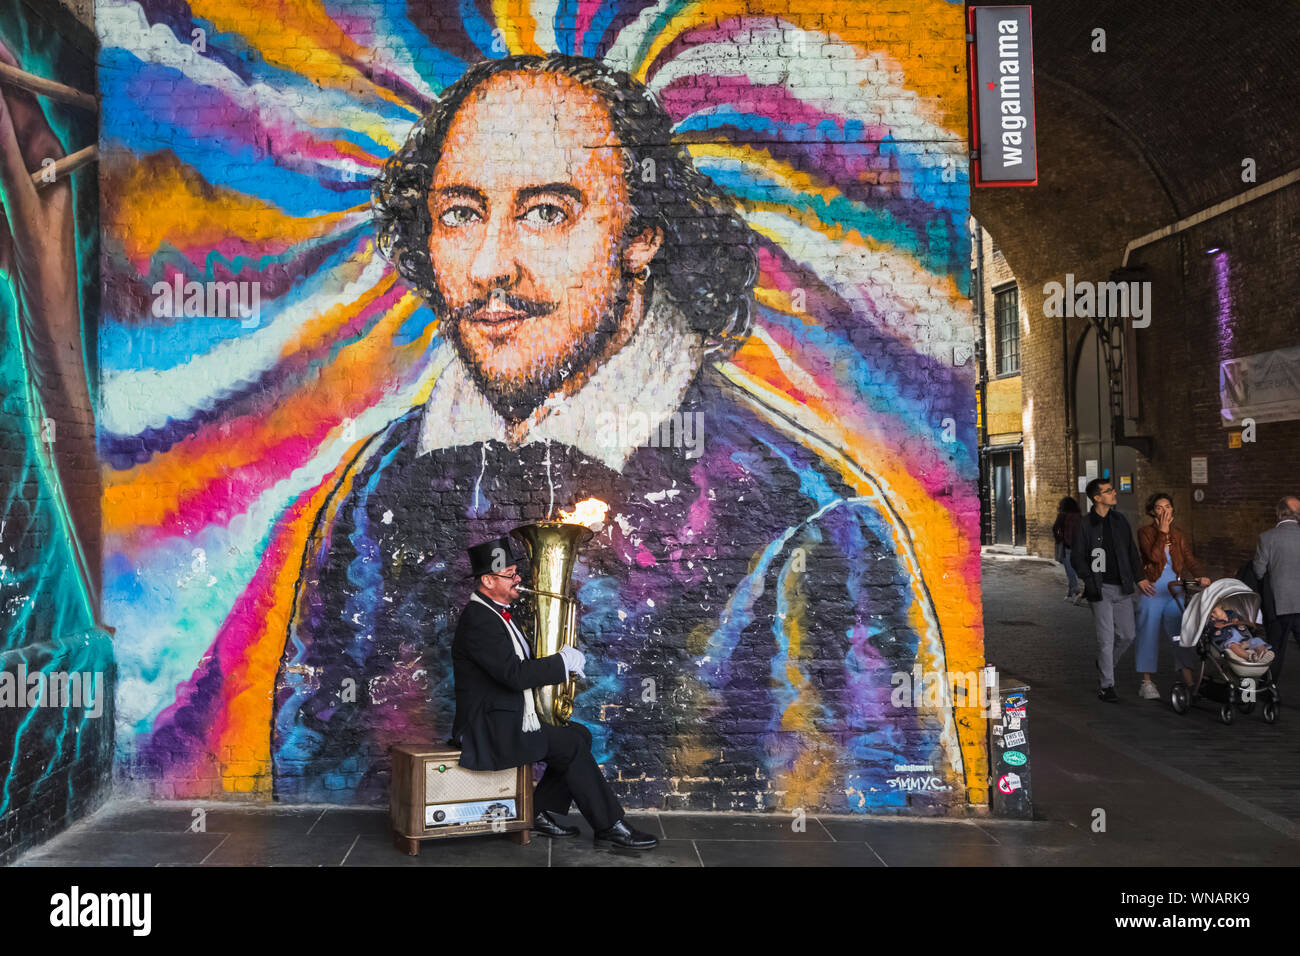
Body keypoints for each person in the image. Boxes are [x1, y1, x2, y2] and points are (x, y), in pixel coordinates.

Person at [262, 54, 969, 806]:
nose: (489, 264)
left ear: (642, 237)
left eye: (545, 212)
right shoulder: (380, 488)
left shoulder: (812, 526)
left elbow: (871, 812)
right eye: (461, 213)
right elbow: (316, 770)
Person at [451, 537, 656, 848]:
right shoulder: (479, 619)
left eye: (516, 571)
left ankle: (538, 812)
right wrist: (561, 663)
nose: (518, 578)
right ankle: (609, 825)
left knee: (580, 736)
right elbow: (514, 675)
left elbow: (515, 668)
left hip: (506, 718)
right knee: (571, 744)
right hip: (488, 728)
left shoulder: (497, 615)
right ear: (487, 580)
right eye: (510, 574)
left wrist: (560, 659)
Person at [1071, 478, 1144, 702]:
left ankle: (1105, 663)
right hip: (1100, 589)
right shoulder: (1085, 524)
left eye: (1112, 490)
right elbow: (1077, 556)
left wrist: (1139, 578)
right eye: (1108, 491)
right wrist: (1089, 579)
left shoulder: (1120, 520)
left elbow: (1131, 551)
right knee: (1106, 639)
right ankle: (1106, 686)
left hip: (1123, 586)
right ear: (1097, 498)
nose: (1114, 493)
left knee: (1128, 635)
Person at [1134, 493, 1211, 700]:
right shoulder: (1146, 533)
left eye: (1168, 506)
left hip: (1173, 591)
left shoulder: (1179, 534)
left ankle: (1190, 681)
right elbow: (1154, 557)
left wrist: (1200, 575)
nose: (1165, 510)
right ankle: (1147, 682)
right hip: (1152, 591)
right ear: (1152, 512)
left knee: (1180, 634)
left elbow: (1189, 559)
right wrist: (1162, 532)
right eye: (1159, 507)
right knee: (1148, 633)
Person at [1252, 495, 1300, 676]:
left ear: (1279, 513)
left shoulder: (1267, 538)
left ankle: (1271, 691)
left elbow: (1258, 571)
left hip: (1279, 606)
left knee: (1275, 652)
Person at [1202, 598, 1273, 664]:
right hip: (1229, 640)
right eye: (1211, 616)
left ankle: (1264, 654)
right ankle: (1249, 657)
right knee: (1233, 645)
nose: (1213, 616)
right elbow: (1216, 626)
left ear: (1220, 606)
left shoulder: (1233, 614)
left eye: (1214, 612)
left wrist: (1239, 622)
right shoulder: (1212, 623)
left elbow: (1248, 624)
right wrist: (1228, 623)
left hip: (1244, 639)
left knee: (1256, 640)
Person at [1052, 496, 1083, 604]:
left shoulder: (1063, 515)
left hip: (1067, 546)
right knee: (1071, 569)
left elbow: (1055, 527)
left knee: (1069, 571)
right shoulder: (1079, 516)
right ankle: (1070, 593)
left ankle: (1076, 591)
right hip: (1078, 546)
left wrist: (1059, 539)